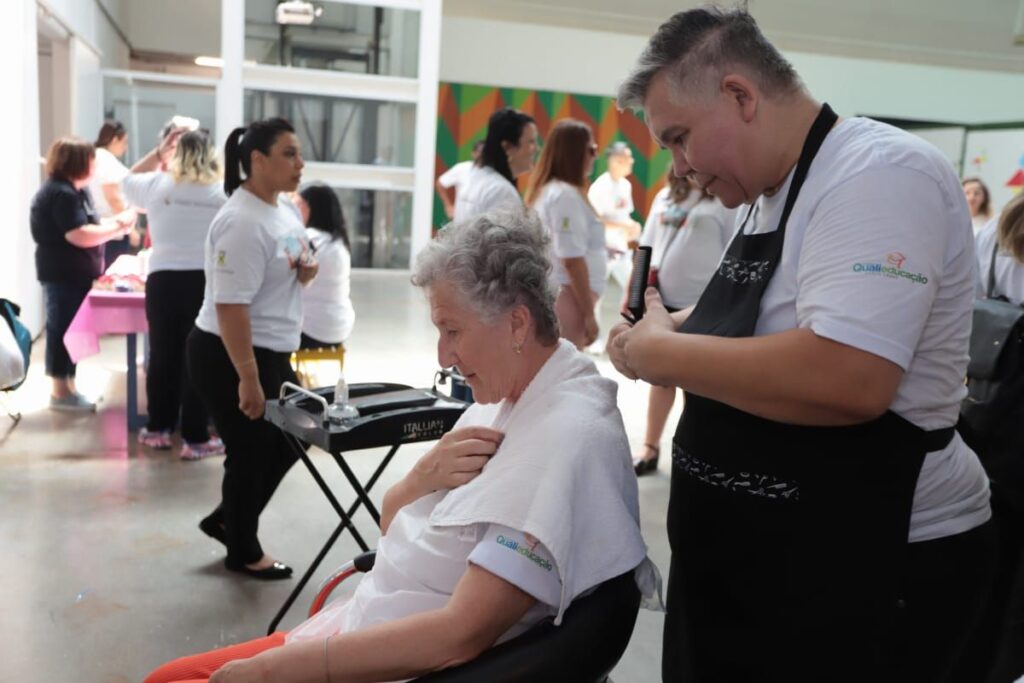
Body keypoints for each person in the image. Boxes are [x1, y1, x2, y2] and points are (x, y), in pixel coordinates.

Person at [611, 8, 993, 681]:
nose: (681, 167)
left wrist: (658, 354)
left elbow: (848, 375)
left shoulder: (879, 174)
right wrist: (667, 322)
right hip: (764, 558)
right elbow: (751, 309)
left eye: (680, 139)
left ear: (739, 95)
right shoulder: (768, 192)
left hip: (869, 572)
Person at [144, 211, 653, 683]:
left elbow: (459, 635)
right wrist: (421, 477)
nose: (443, 356)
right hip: (368, 616)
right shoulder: (508, 395)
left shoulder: (561, 441)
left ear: (517, 323)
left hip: (393, 655)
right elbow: (395, 522)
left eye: (452, 330)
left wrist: (275, 670)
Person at [186, 117, 316, 580]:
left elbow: (293, 254)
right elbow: (230, 306)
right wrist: (247, 376)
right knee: (251, 451)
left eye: (299, 154)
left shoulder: (277, 208)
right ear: (256, 160)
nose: (300, 163)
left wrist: (304, 267)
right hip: (232, 351)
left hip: (270, 349)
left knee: (293, 437)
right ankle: (242, 548)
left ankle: (228, 519)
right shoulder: (241, 221)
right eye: (289, 153)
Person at [122, 129, 227, 460]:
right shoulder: (220, 191)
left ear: (175, 153)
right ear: (211, 154)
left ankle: (158, 429)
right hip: (203, 281)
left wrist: (158, 151)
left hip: (162, 279)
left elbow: (127, 181)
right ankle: (195, 438)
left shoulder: (158, 184)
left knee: (163, 356)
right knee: (195, 358)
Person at [956, 193, 1024, 682]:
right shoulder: (996, 232)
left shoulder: (998, 231)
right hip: (1005, 412)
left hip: (992, 407)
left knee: (990, 544)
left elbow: (969, 305)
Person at [630, 170, 737, 475]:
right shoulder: (665, 197)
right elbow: (645, 248)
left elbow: (733, 252)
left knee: (700, 382)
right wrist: (634, 296)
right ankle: (650, 447)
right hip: (661, 301)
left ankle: (700, 455)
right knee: (661, 377)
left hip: (704, 306)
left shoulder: (725, 200)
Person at [30, 137, 136, 412]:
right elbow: (79, 234)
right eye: (91, 161)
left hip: (75, 275)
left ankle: (69, 386)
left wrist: (117, 223)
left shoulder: (77, 191)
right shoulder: (61, 194)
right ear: (77, 162)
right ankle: (59, 391)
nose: (94, 166)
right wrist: (116, 229)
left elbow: (93, 224)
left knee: (71, 330)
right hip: (61, 274)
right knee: (62, 329)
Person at [525, 119, 606, 350]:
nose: (595, 156)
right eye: (592, 150)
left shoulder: (555, 191)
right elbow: (570, 259)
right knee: (563, 369)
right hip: (567, 298)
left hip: (563, 294)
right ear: (575, 153)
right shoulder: (565, 196)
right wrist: (589, 315)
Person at [293, 183, 355, 349]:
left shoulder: (303, 238)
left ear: (310, 209)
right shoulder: (341, 244)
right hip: (341, 329)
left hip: (309, 331)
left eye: (297, 205)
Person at [452, 108, 537, 222]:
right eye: (531, 142)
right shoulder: (502, 192)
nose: (536, 149)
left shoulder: (477, 178)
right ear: (507, 147)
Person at [588, 141, 643, 290]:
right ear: (616, 160)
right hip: (602, 249)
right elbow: (595, 219)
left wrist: (633, 226)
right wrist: (623, 225)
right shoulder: (600, 186)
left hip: (621, 248)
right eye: (628, 157)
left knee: (634, 289)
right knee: (595, 293)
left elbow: (624, 215)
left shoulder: (626, 185)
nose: (632, 161)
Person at [90, 120, 138, 264]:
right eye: (124, 142)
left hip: (102, 229)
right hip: (112, 231)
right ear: (115, 139)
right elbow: (113, 198)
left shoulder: (95, 157)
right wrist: (131, 230)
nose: (125, 147)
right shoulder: (106, 160)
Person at [436, 140, 484, 219]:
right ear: (473, 153)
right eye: (479, 151)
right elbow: (440, 183)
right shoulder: (462, 168)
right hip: (461, 222)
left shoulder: (493, 174)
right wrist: (448, 206)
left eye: (484, 152)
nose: (481, 155)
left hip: (481, 223)